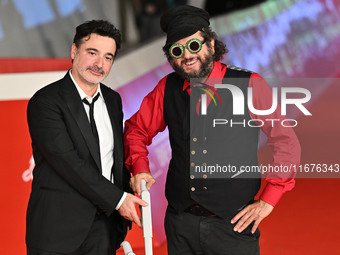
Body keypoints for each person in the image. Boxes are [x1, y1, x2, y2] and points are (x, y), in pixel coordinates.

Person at [124, 5, 301, 255]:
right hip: (180, 224)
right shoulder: (167, 88)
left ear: (210, 44)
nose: (187, 55)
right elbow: (135, 129)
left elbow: (286, 142)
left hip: (233, 227)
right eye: (178, 50)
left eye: (194, 46)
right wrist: (140, 168)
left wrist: (268, 200)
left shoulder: (249, 85)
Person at [26, 20, 146, 255]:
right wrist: (120, 200)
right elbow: (68, 162)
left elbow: (113, 158)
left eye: (108, 57)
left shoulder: (113, 100)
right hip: (57, 232)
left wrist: (133, 179)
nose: (99, 64)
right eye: (92, 53)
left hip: (104, 229)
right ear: (74, 51)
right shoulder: (46, 102)